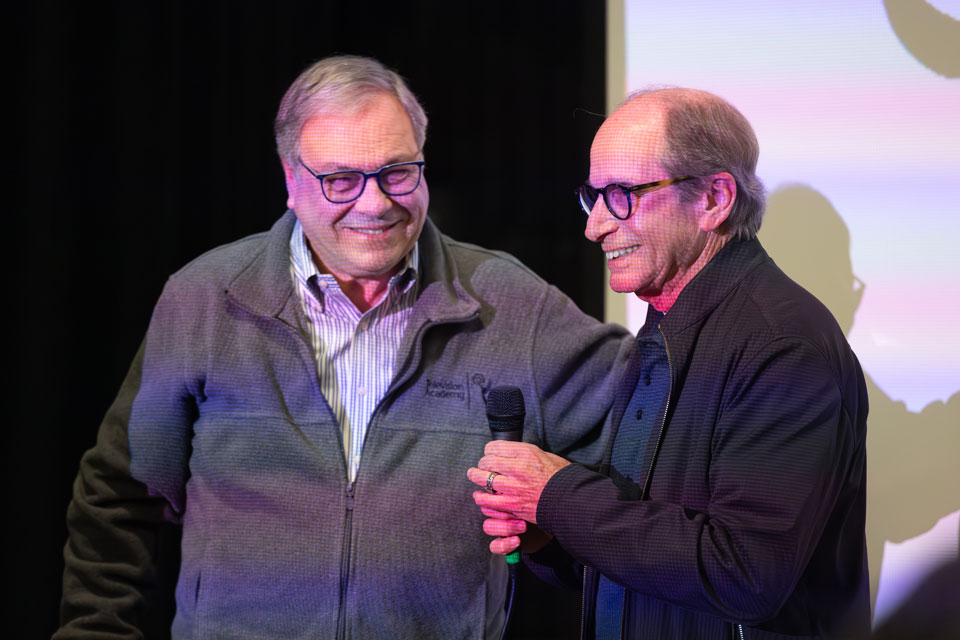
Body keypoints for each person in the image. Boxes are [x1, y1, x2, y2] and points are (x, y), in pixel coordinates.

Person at [55, 55, 630, 639]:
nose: (375, 203)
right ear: (291, 181)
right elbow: (120, 498)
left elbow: (652, 426)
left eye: (398, 172)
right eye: (341, 180)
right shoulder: (205, 300)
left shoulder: (512, 305)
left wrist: (557, 525)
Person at [469, 88, 871, 639]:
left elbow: (744, 574)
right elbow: (656, 552)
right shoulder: (665, 330)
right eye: (593, 197)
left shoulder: (782, 347)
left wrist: (559, 497)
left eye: (622, 195)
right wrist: (552, 534)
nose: (595, 226)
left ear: (713, 199)